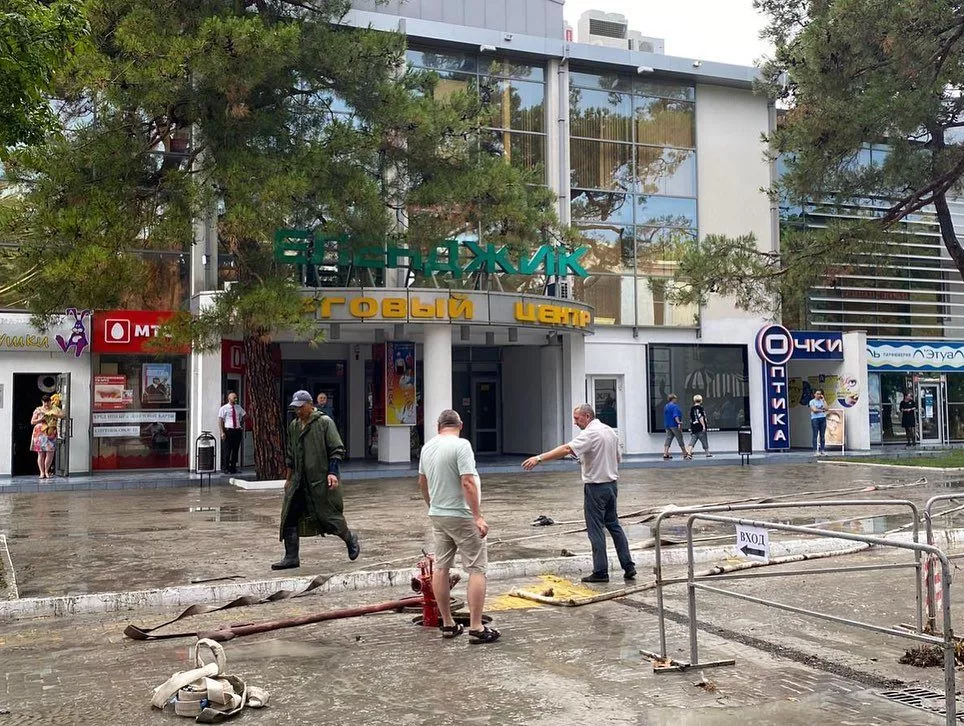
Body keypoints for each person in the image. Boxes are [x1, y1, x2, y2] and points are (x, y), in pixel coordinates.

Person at [522, 404, 635, 584]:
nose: (575, 422)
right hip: (612, 486)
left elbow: (567, 449)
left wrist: (539, 458)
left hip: (595, 488)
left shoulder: (590, 433)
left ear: (587, 416)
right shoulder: (610, 431)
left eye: (577, 418)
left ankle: (600, 571)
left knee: (596, 530)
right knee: (614, 526)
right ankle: (628, 566)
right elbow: (617, 458)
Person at [418, 409, 500, 644]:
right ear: (460, 425)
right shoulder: (461, 445)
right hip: (462, 516)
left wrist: (432, 505)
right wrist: (478, 517)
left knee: (441, 568)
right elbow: (467, 481)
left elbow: (422, 482)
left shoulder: (427, 448)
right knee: (477, 569)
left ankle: (447, 623)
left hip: (439, 515)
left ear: (438, 426)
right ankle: (476, 626)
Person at [272, 390, 360, 570]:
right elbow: (291, 454)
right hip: (299, 480)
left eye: (301, 407)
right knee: (289, 516)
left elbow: (336, 449)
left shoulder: (324, 423)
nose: (298, 411)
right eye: (295, 408)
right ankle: (291, 557)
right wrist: (288, 479)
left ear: (310, 405)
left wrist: (332, 473)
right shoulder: (294, 426)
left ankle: (350, 539)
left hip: (320, 480)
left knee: (329, 516)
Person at [30, 394, 63, 479]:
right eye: (45, 402)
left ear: (50, 402)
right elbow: (32, 422)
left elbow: (63, 415)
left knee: (50, 453)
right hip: (40, 432)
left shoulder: (55, 409)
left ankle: (46, 471)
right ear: (42, 402)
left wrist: (54, 415)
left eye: (48, 402)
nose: (46, 404)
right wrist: (41, 419)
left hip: (51, 432)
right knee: (41, 453)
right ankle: (41, 472)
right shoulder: (38, 410)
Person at [218, 391, 246, 474]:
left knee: (235, 450)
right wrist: (222, 432)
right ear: (229, 398)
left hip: (237, 430)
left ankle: (233, 468)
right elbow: (220, 420)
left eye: (236, 398)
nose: (236, 399)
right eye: (234, 398)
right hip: (228, 431)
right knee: (227, 450)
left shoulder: (238, 407)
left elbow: (245, 415)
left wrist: (240, 423)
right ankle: (225, 468)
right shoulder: (224, 408)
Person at [662, 394, 686, 460]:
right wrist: (679, 422)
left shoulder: (666, 406)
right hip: (674, 425)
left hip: (667, 425)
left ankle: (665, 453)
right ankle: (684, 453)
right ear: (673, 399)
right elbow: (675, 415)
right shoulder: (674, 406)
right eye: (675, 398)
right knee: (680, 438)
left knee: (668, 438)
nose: (676, 400)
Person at [687, 394, 712, 458]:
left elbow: (691, 418)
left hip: (694, 426)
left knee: (692, 441)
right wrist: (704, 426)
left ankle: (689, 453)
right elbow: (700, 417)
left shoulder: (692, 408)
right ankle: (707, 453)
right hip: (700, 427)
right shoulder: (700, 408)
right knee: (704, 440)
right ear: (701, 400)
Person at [809, 388, 828, 455]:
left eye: (820, 394)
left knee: (822, 435)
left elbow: (827, 408)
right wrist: (822, 410)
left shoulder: (822, 401)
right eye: (817, 394)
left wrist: (824, 400)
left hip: (823, 418)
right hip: (815, 419)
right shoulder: (812, 401)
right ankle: (815, 450)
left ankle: (822, 450)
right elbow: (814, 410)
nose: (819, 395)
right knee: (815, 434)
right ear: (814, 394)